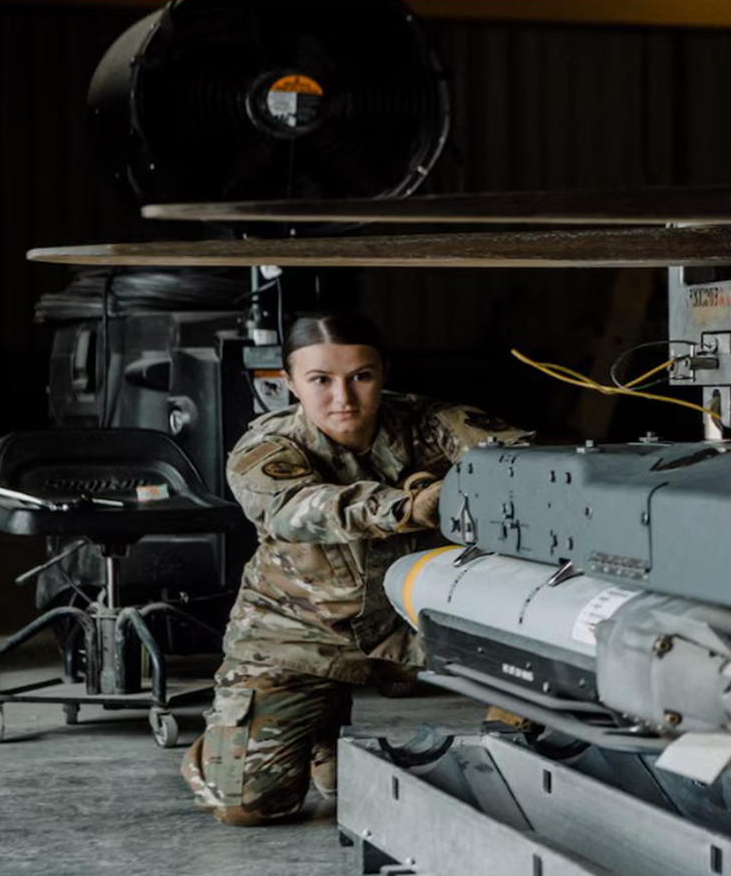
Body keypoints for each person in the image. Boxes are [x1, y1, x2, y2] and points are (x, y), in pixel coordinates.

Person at [181, 312, 530, 826]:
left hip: (415, 622)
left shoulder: (429, 424)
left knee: (541, 659)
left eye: (360, 376)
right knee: (245, 804)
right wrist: (404, 506)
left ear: (383, 373)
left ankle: (520, 767)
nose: (342, 398)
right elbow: (299, 507)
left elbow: (528, 465)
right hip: (300, 633)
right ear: (290, 384)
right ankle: (275, 733)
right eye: (320, 380)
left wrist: (482, 484)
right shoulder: (266, 448)